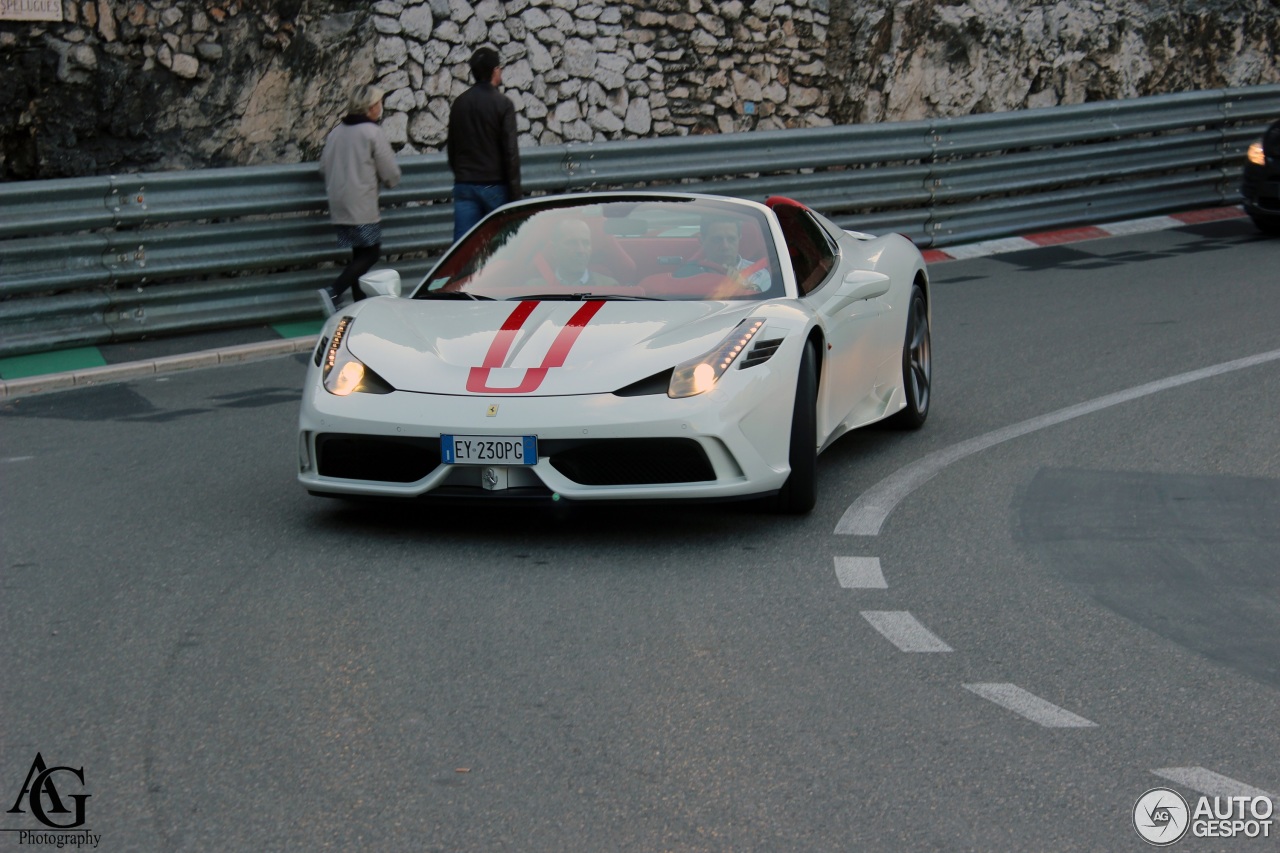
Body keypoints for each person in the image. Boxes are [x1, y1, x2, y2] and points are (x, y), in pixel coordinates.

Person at [318, 84, 401, 316]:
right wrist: (388, 181)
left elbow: (323, 167)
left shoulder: (336, 132)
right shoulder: (371, 132)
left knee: (358, 253)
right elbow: (391, 173)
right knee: (371, 253)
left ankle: (357, 302)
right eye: (378, 103)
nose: (380, 108)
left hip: (339, 204)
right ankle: (334, 291)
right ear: (371, 107)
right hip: (362, 203)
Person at [447, 47, 522, 242]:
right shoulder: (503, 104)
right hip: (494, 186)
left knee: (463, 250)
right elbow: (510, 153)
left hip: (465, 185)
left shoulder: (459, 103)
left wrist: (463, 176)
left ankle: (463, 274)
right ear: (495, 70)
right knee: (502, 248)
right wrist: (515, 198)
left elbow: (452, 149)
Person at [674, 216, 772, 291]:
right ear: (702, 240)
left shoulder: (759, 276)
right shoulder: (687, 274)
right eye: (717, 240)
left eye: (731, 239)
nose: (725, 246)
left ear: (739, 238)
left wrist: (742, 288)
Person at [528, 218, 619, 288]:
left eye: (586, 243)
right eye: (572, 243)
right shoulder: (534, 288)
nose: (581, 250)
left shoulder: (609, 286)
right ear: (554, 250)